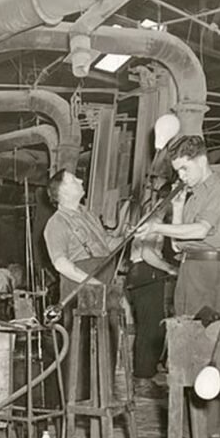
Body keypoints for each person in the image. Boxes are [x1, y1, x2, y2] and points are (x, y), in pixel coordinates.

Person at [140, 135, 220, 436]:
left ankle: (210, 427)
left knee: (205, 346)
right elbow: (177, 244)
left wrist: (156, 225)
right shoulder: (193, 193)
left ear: (201, 160)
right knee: (184, 344)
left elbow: (201, 230)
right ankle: (190, 425)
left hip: (210, 270)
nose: (181, 177)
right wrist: (179, 207)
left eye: (184, 169)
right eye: (178, 171)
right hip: (189, 268)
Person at [42, 169, 128, 394]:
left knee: (107, 345)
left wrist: (129, 236)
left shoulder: (88, 214)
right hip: (79, 290)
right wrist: (93, 283)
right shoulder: (56, 223)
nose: (81, 180)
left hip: (103, 286)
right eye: (73, 180)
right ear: (61, 191)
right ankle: (74, 402)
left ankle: (102, 395)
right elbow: (60, 263)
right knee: (78, 352)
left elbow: (107, 244)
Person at [125, 231, 177, 399]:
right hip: (147, 272)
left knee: (151, 326)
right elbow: (147, 254)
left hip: (143, 273)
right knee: (150, 327)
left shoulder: (151, 222)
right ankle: (143, 379)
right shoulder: (153, 223)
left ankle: (146, 376)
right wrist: (170, 268)